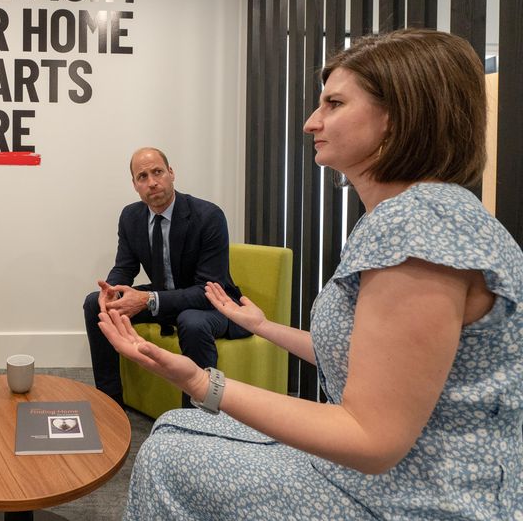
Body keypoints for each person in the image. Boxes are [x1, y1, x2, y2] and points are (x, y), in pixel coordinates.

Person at [98, 30, 523, 520]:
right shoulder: (420, 215)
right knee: (176, 426)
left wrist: (199, 380)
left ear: (399, 116)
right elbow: (368, 354)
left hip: (416, 495)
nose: (310, 122)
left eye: (334, 103)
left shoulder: (416, 229)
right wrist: (260, 325)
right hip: (394, 473)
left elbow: (373, 438)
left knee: (165, 452)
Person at [83, 147, 249, 407]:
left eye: (157, 172)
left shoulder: (208, 216)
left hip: (211, 303)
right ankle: (110, 402)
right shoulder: (131, 216)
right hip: (164, 295)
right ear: (135, 185)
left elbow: (208, 288)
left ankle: (194, 419)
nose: (152, 182)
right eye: (143, 177)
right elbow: (125, 267)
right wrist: (112, 289)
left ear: (171, 173)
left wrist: (148, 299)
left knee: (191, 321)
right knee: (96, 303)